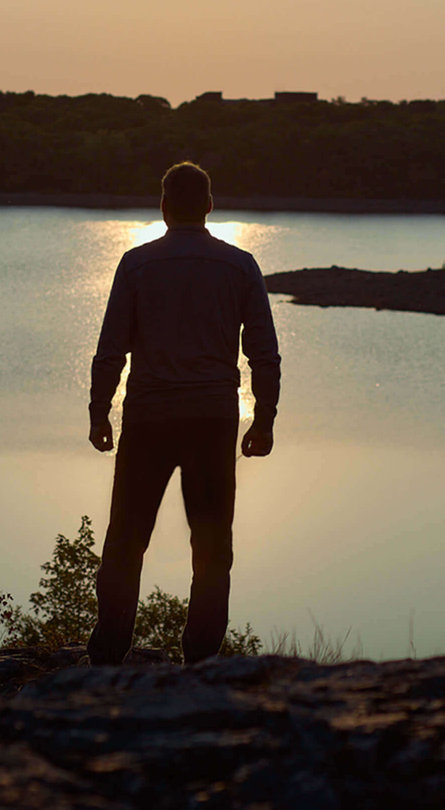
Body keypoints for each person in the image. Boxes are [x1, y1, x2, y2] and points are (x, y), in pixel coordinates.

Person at [86, 161, 281, 665]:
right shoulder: (240, 266)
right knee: (213, 546)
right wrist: (264, 419)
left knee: (126, 541)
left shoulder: (136, 264)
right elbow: (264, 353)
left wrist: (98, 411)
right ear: (210, 206)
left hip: (149, 418)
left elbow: (112, 348)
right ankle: (201, 661)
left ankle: (108, 656)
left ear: (164, 206)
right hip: (213, 420)